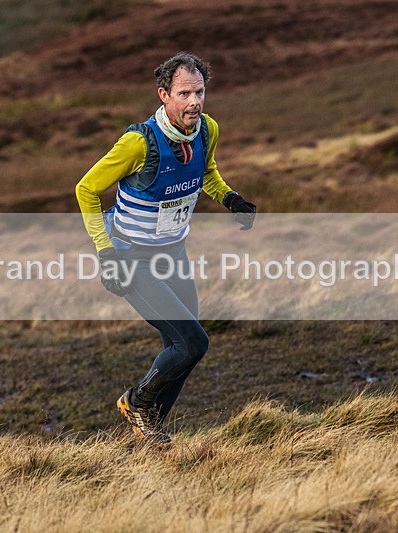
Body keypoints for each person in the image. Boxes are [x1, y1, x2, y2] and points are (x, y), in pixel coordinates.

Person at [75, 52, 256, 445]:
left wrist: (229, 199)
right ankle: (136, 401)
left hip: (173, 254)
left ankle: (148, 430)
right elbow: (86, 189)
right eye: (185, 93)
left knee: (185, 350)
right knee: (193, 341)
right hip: (130, 257)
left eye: (200, 92)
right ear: (164, 95)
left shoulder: (207, 130)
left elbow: (205, 172)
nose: (195, 102)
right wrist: (105, 255)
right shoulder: (137, 144)